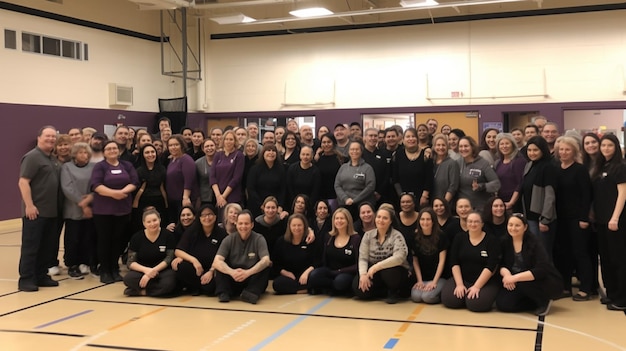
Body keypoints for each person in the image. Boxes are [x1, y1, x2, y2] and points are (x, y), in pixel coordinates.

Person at [18, 126, 62, 292]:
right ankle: (26, 279)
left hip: (51, 212)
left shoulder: (52, 158)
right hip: (35, 212)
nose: (51, 139)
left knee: (47, 247)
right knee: (31, 247)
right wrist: (29, 205)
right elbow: (23, 182)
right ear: (39, 138)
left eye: (53, 136)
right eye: (47, 136)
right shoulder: (32, 157)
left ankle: (41, 275)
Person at [90, 140, 139, 284]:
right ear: (104, 152)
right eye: (109, 149)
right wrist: (113, 193)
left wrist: (123, 191)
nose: (112, 150)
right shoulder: (100, 167)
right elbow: (95, 185)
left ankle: (114, 269)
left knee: (118, 240)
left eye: (114, 148)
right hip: (103, 211)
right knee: (104, 240)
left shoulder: (127, 165)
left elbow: (135, 182)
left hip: (122, 210)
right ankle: (104, 270)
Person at [496, 213, 562, 316]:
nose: (513, 228)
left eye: (517, 225)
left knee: (523, 282)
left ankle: (543, 300)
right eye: (510, 225)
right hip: (517, 280)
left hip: (539, 281)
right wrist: (507, 275)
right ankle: (533, 302)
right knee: (503, 304)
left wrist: (515, 278)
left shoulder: (534, 242)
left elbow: (542, 269)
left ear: (525, 227)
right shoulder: (504, 242)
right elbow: (501, 264)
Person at [554, 136, 593, 301]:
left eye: (567, 149)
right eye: (561, 149)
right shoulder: (556, 168)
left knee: (580, 253)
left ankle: (586, 288)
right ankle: (566, 287)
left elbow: (587, 195)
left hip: (577, 218)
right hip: (560, 218)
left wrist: (584, 218)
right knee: (564, 254)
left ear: (574, 151)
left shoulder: (580, 169)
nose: (563, 152)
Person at [591, 134, 626, 311]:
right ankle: (611, 293)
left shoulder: (620, 167)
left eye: (609, 145)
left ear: (616, 148)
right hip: (601, 220)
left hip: (615, 221)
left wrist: (615, 217)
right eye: (603, 145)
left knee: (618, 259)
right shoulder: (601, 166)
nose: (605, 148)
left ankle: (622, 298)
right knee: (605, 259)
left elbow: (623, 193)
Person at [441, 212, 501, 312]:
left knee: (476, 304)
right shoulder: (459, 238)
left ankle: (472, 295)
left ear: (482, 224)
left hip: (485, 282)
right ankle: (465, 294)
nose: (473, 224)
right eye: (470, 221)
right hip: (464, 279)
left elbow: (491, 266)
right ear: (467, 223)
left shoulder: (491, 240)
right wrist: (459, 284)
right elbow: (454, 262)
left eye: (476, 221)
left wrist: (477, 286)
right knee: (450, 300)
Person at [353, 206, 411, 304]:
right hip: (375, 272)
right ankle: (382, 291)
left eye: (385, 218)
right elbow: (363, 258)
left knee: (388, 272)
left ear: (391, 221)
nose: (381, 220)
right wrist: (363, 274)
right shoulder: (368, 235)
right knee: (359, 290)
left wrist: (376, 267)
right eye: (378, 217)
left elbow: (399, 258)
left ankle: (394, 291)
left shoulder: (397, 235)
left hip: (395, 271)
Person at [212, 210, 271, 304]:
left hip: (250, 277)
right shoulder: (229, 239)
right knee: (220, 265)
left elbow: (266, 260)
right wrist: (232, 272)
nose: (243, 226)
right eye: (240, 223)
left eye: (246, 223)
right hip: (233, 276)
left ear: (252, 225)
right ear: (236, 224)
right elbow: (216, 261)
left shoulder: (259, 239)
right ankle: (224, 293)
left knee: (265, 266)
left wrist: (247, 273)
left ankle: (250, 293)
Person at [172, 204, 227, 296]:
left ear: (215, 216)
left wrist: (211, 271)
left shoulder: (221, 233)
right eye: (204, 215)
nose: (207, 217)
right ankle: (196, 287)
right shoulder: (192, 231)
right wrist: (194, 260)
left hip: (213, 270)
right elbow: (178, 250)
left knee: (211, 287)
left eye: (210, 214)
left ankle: (199, 287)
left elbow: (225, 256)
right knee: (180, 266)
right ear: (199, 217)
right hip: (196, 269)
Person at [60, 142, 96, 279]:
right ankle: (72, 265)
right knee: (72, 238)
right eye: (81, 152)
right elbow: (67, 188)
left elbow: (97, 185)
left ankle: (84, 262)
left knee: (87, 237)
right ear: (75, 154)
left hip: (90, 209)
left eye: (86, 152)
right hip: (73, 208)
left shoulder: (94, 167)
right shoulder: (67, 167)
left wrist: (90, 198)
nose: (84, 155)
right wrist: (83, 204)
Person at [123, 209, 177, 297]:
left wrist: (154, 270)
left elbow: (169, 258)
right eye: (148, 222)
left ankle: (142, 292)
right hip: (143, 270)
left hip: (163, 271)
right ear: (144, 223)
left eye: (155, 220)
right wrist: (147, 271)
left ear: (160, 219)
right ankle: (158, 290)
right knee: (128, 279)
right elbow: (130, 262)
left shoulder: (168, 235)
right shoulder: (136, 237)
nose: (152, 224)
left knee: (169, 283)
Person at [308, 208, 361, 296]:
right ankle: (335, 289)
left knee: (340, 282)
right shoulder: (329, 237)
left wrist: (340, 271)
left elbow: (358, 264)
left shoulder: (355, 238)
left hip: (347, 272)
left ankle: (335, 288)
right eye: (337, 218)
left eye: (342, 218)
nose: (339, 221)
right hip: (330, 271)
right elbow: (324, 260)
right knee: (313, 276)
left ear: (348, 221)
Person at [521, 136, 557, 260]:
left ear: (542, 150)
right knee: (534, 252)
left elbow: (550, 196)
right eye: (529, 150)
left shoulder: (548, 167)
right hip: (530, 216)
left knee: (544, 253)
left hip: (541, 218)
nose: (532, 153)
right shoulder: (529, 165)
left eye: (535, 150)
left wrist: (545, 219)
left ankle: (549, 279)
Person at [271, 214, 321, 294]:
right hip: (290, 277)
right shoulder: (281, 241)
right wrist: (285, 272)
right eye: (294, 225)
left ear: (304, 226)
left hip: (307, 275)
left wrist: (307, 273)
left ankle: (298, 289)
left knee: (317, 277)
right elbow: (276, 263)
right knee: (277, 284)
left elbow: (318, 261)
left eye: (299, 225)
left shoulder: (310, 240)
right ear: (289, 226)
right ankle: (306, 290)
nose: (296, 228)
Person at [411, 207, 448, 304]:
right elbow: (415, 260)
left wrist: (434, 282)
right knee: (416, 297)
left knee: (427, 297)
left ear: (433, 221)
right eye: (422, 219)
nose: (425, 222)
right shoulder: (414, 236)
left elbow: (442, 261)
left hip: (439, 277)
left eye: (428, 219)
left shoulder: (441, 236)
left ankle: (441, 293)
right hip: (423, 277)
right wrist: (419, 280)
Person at [457, 136, 500, 211]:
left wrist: (481, 186)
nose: (463, 149)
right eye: (461, 146)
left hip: (479, 208)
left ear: (472, 147)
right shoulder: (457, 163)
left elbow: (496, 184)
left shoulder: (483, 163)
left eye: (466, 146)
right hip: (462, 208)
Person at [393, 126, 433, 209]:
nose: (411, 139)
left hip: (421, 198)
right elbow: (395, 178)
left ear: (417, 139)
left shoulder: (425, 155)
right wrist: (401, 196)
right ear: (403, 140)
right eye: (408, 136)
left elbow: (429, 178)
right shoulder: (398, 155)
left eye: (413, 136)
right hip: (403, 199)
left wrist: (425, 196)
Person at [334, 141, 376, 220]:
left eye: (357, 149)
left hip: (361, 205)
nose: (354, 151)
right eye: (352, 149)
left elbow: (370, 187)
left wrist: (354, 200)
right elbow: (337, 185)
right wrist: (345, 198)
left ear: (361, 151)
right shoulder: (343, 167)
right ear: (349, 151)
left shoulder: (367, 168)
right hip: (344, 204)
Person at [132, 144, 167, 233]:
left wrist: (167, 206)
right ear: (142, 155)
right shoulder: (138, 171)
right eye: (147, 152)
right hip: (142, 203)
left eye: (152, 152)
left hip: (159, 203)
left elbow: (163, 188)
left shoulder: (162, 169)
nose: (150, 154)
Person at [211, 130, 245, 218]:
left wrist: (223, 196)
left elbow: (236, 178)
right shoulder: (218, 155)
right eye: (226, 139)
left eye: (231, 139)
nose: (228, 141)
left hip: (232, 196)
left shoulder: (239, 155)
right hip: (218, 196)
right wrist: (218, 196)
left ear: (235, 141)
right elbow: (212, 177)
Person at [247, 144, 286, 217]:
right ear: (263, 153)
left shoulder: (281, 169)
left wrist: (280, 205)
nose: (271, 153)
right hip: (257, 206)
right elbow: (251, 188)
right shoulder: (255, 169)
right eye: (268, 150)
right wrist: (261, 205)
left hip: (275, 207)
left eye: (273, 151)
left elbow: (283, 189)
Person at [165, 134, 197, 225]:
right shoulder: (172, 160)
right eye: (170, 145)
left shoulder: (186, 160)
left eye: (176, 145)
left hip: (183, 200)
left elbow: (189, 180)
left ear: (181, 145)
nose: (173, 147)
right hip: (172, 200)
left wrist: (185, 197)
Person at [494, 133, 526, 211]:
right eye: (501, 144)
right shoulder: (498, 163)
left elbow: (520, 184)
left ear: (513, 145)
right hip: (501, 202)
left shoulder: (519, 161)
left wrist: (511, 202)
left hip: (514, 203)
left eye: (507, 143)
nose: (504, 146)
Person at [314, 134, 344, 211]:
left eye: (329, 142)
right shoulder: (318, 159)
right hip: (319, 196)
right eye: (324, 142)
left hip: (335, 197)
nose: (326, 144)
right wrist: (316, 155)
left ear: (333, 143)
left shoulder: (341, 159)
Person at [431, 134, 459, 203]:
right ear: (434, 147)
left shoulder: (452, 163)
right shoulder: (430, 162)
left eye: (443, 145)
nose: (441, 147)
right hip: (431, 202)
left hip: (446, 203)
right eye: (438, 145)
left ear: (447, 147)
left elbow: (453, 186)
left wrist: (444, 203)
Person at [196, 138, 216, 206]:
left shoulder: (221, 160)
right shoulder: (198, 163)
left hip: (220, 196)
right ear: (203, 149)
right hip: (204, 197)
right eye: (207, 146)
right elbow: (196, 182)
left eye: (212, 145)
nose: (209, 148)